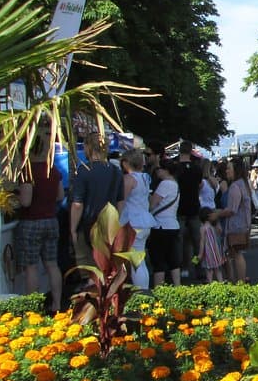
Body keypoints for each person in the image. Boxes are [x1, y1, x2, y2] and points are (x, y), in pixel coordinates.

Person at [15, 130, 65, 311]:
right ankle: (57, 304)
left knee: (31, 267)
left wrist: (16, 194)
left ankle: (32, 308)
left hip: (31, 223)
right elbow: (60, 196)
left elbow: (26, 201)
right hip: (51, 221)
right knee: (52, 265)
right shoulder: (53, 170)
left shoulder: (28, 171)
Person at [69, 131, 124, 278]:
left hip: (88, 224)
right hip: (109, 225)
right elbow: (120, 201)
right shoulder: (116, 171)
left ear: (88, 147)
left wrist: (73, 229)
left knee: (89, 269)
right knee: (107, 267)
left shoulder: (84, 170)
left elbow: (77, 204)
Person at [118, 149, 158, 290]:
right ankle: (143, 289)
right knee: (139, 260)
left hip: (132, 222)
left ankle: (140, 292)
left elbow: (122, 201)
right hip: (144, 220)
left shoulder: (129, 179)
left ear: (126, 162)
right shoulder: (145, 178)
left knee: (135, 261)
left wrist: (118, 220)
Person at [148, 159, 182, 288]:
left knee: (159, 260)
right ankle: (178, 286)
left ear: (166, 170)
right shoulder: (175, 184)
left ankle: (159, 288)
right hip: (172, 224)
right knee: (173, 259)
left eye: (160, 169)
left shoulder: (165, 184)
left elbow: (153, 204)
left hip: (161, 225)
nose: (158, 171)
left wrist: (148, 195)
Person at [173, 141, 204, 280]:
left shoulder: (174, 167)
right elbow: (200, 186)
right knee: (197, 243)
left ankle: (181, 268)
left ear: (179, 150)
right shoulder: (197, 168)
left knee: (180, 242)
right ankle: (199, 268)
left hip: (179, 208)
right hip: (194, 207)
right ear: (191, 151)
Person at [219, 158, 252, 284]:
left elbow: (232, 209)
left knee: (236, 254)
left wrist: (217, 214)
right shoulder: (244, 183)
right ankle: (237, 279)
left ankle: (240, 281)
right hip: (243, 224)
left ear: (235, 170)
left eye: (229, 168)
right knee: (234, 254)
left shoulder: (235, 186)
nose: (226, 171)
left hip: (236, 225)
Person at [196, 206, 226, 283]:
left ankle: (210, 283)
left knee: (209, 270)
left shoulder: (202, 228)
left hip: (208, 251)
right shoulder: (213, 227)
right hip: (216, 250)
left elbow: (202, 241)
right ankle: (221, 283)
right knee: (218, 269)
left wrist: (200, 254)